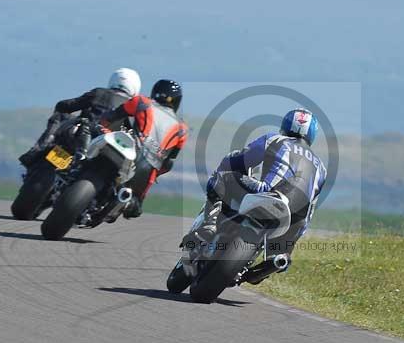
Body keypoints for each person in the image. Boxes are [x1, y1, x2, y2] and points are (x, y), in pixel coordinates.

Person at [185, 108, 326, 284]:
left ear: (285, 125)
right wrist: (293, 240)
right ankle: (273, 262)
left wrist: (230, 165)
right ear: (312, 134)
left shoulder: (274, 139)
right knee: (281, 256)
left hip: (266, 192)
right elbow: (310, 210)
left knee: (221, 178)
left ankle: (210, 225)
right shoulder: (321, 167)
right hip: (296, 217)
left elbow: (242, 159)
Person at [99, 79, 188, 219]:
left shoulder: (142, 102)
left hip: (127, 151)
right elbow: (169, 160)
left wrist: (100, 129)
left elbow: (111, 117)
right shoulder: (182, 129)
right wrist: (157, 173)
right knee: (136, 208)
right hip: (147, 170)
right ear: (177, 101)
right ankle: (127, 203)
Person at [18, 68, 141, 167]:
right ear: (135, 88)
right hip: (106, 152)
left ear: (113, 81)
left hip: (80, 141)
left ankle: (38, 149)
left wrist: (62, 107)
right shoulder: (135, 109)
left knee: (60, 116)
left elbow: (67, 105)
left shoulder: (99, 93)